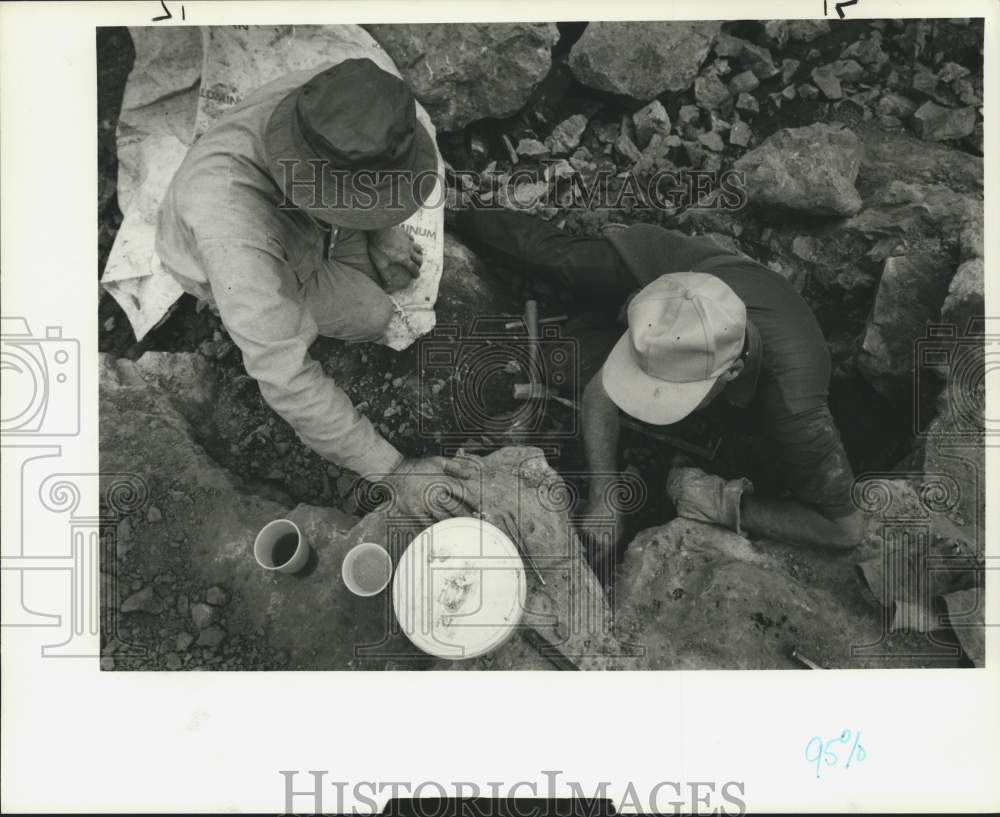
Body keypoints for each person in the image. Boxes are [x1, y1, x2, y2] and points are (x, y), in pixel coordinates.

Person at [451, 208, 865, 567]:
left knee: (570, 359)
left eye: (675, 388)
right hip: (674, 275)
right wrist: (604, 496)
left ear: (733, 371)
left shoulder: (795, 407)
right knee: (556, 259)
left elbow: (845, 529)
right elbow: (602, 392)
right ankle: (457, 212)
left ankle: (590, 321)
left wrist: (724, 503)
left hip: (736, 316)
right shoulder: (664, 318)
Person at [156, 58, 472, 517]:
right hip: (250, 259)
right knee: (372, 315)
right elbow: (284, 375)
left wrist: (381, 228)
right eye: (365, 203)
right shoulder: (233, 229)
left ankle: (347, 234)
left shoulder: (336, 101)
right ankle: (244, 308)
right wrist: (395, 470)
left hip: (313, 228)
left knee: (397, 271)